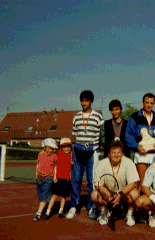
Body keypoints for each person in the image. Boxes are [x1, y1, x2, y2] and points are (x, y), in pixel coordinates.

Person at [67, 90, 104, 220]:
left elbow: (102, 135)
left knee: (92, 182)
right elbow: (74, 135)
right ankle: (74, 206)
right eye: (82, 100)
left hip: (92, 151)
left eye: (86, 100)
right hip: (78, 150)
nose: (84, 103)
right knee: (75, 180)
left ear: (91, 101)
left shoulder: (98, 116)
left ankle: (91, 207)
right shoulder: (76, 116)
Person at [91, 140, 140, 226]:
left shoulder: (129, 162)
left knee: (135, 194)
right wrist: (107, 194)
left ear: (122, 153)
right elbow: (97, 185)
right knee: (94, 195)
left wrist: (120, 194)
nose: (116, 155)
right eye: (113, 152)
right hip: (108, 194)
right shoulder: (101, 164)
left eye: (118, 152)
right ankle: (104, 210)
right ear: (109, 154)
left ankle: (129, 212)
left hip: (123, 194)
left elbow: (132, 183)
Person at [125, 93, 155, 193]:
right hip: (141, 154)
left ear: (154, 104)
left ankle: (152, 206)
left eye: (151, 103)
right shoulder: (134, 117)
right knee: (141, 182)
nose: (149, 105)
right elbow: (128, 135)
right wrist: (137, 147)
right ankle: (139, 207)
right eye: (147, 102)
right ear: (143, 103)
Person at [42, 137, 74, 220]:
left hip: (66, 179)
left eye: (68, 146)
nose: (67, 148)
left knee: (63, 196)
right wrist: (55, 176)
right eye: (64, 147)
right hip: (58, 178)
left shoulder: (71, 155)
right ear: (61, 147)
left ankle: (61, 211)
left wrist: (71, 165)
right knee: (54, 196)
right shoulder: (58, 153)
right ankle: (48, 211)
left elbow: (70, 168)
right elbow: (51, 149)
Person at [33, 138, 58, 221]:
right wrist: (36, 173)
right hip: (40, 178)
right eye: (49, 148)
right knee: (40, 196)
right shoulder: (40, 154)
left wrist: (54, 176)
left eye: (52, 148)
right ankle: (41, 209)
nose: (50, 150)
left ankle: (38, 213)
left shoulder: (55, 156)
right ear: (45, 147)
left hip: (48, 179)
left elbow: (55, 167)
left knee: (44, 196)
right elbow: (38, 164)